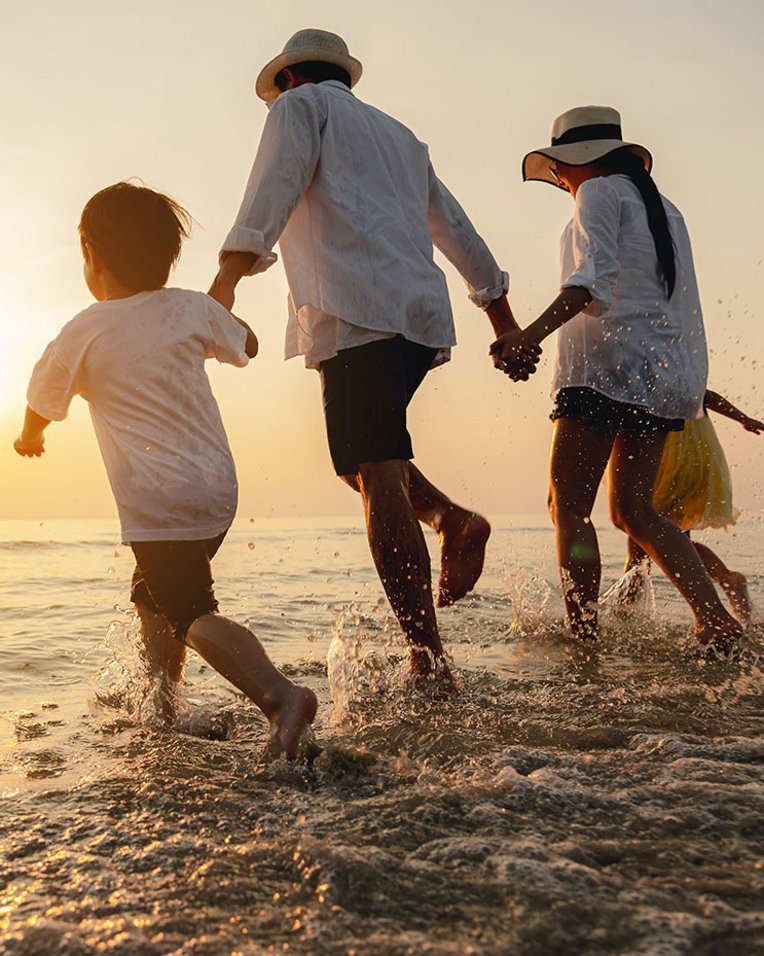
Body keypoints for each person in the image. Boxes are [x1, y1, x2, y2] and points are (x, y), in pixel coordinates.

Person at [209, 29, 537, 685]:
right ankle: (452, 519)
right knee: (360, 463)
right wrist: (502, 320)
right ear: (342, 76)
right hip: (415, 318)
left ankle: (429, 659)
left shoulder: (298, 110)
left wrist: (226, 279)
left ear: (289, 80)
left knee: (376, 473)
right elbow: (455, 226)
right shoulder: (401, 138)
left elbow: (273, 187)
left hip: (358, 310)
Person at [14, 182, 317, 758]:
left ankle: (279, 696)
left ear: (91, 254)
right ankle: (162, 708)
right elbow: (245, 344)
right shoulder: (189, 307)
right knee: (153, 596)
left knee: (189, 611)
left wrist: (29, 438)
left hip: (160, 501)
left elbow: (41, 399)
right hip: (216, 492)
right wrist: (214, 319)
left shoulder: (84, 329)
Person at [490, 105, 743, 655]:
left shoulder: (599, 193)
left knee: (568, 506)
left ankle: (583, 636)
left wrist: (526, 336)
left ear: (580, 161)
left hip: (604, 372)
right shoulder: (665, 208)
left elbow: (588, 285)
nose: (559, 178)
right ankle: (715, 620)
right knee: (634, 510)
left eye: (560, 167)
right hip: (659, 378)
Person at [620, 388, 762, 621]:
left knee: (642, 528)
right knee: (669, 536)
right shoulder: (684, 372)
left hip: (666, 457)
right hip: (698, 453)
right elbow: (707, 395)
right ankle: (726, 578)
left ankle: (626, 608)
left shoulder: (646, 373)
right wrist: (742, 418)